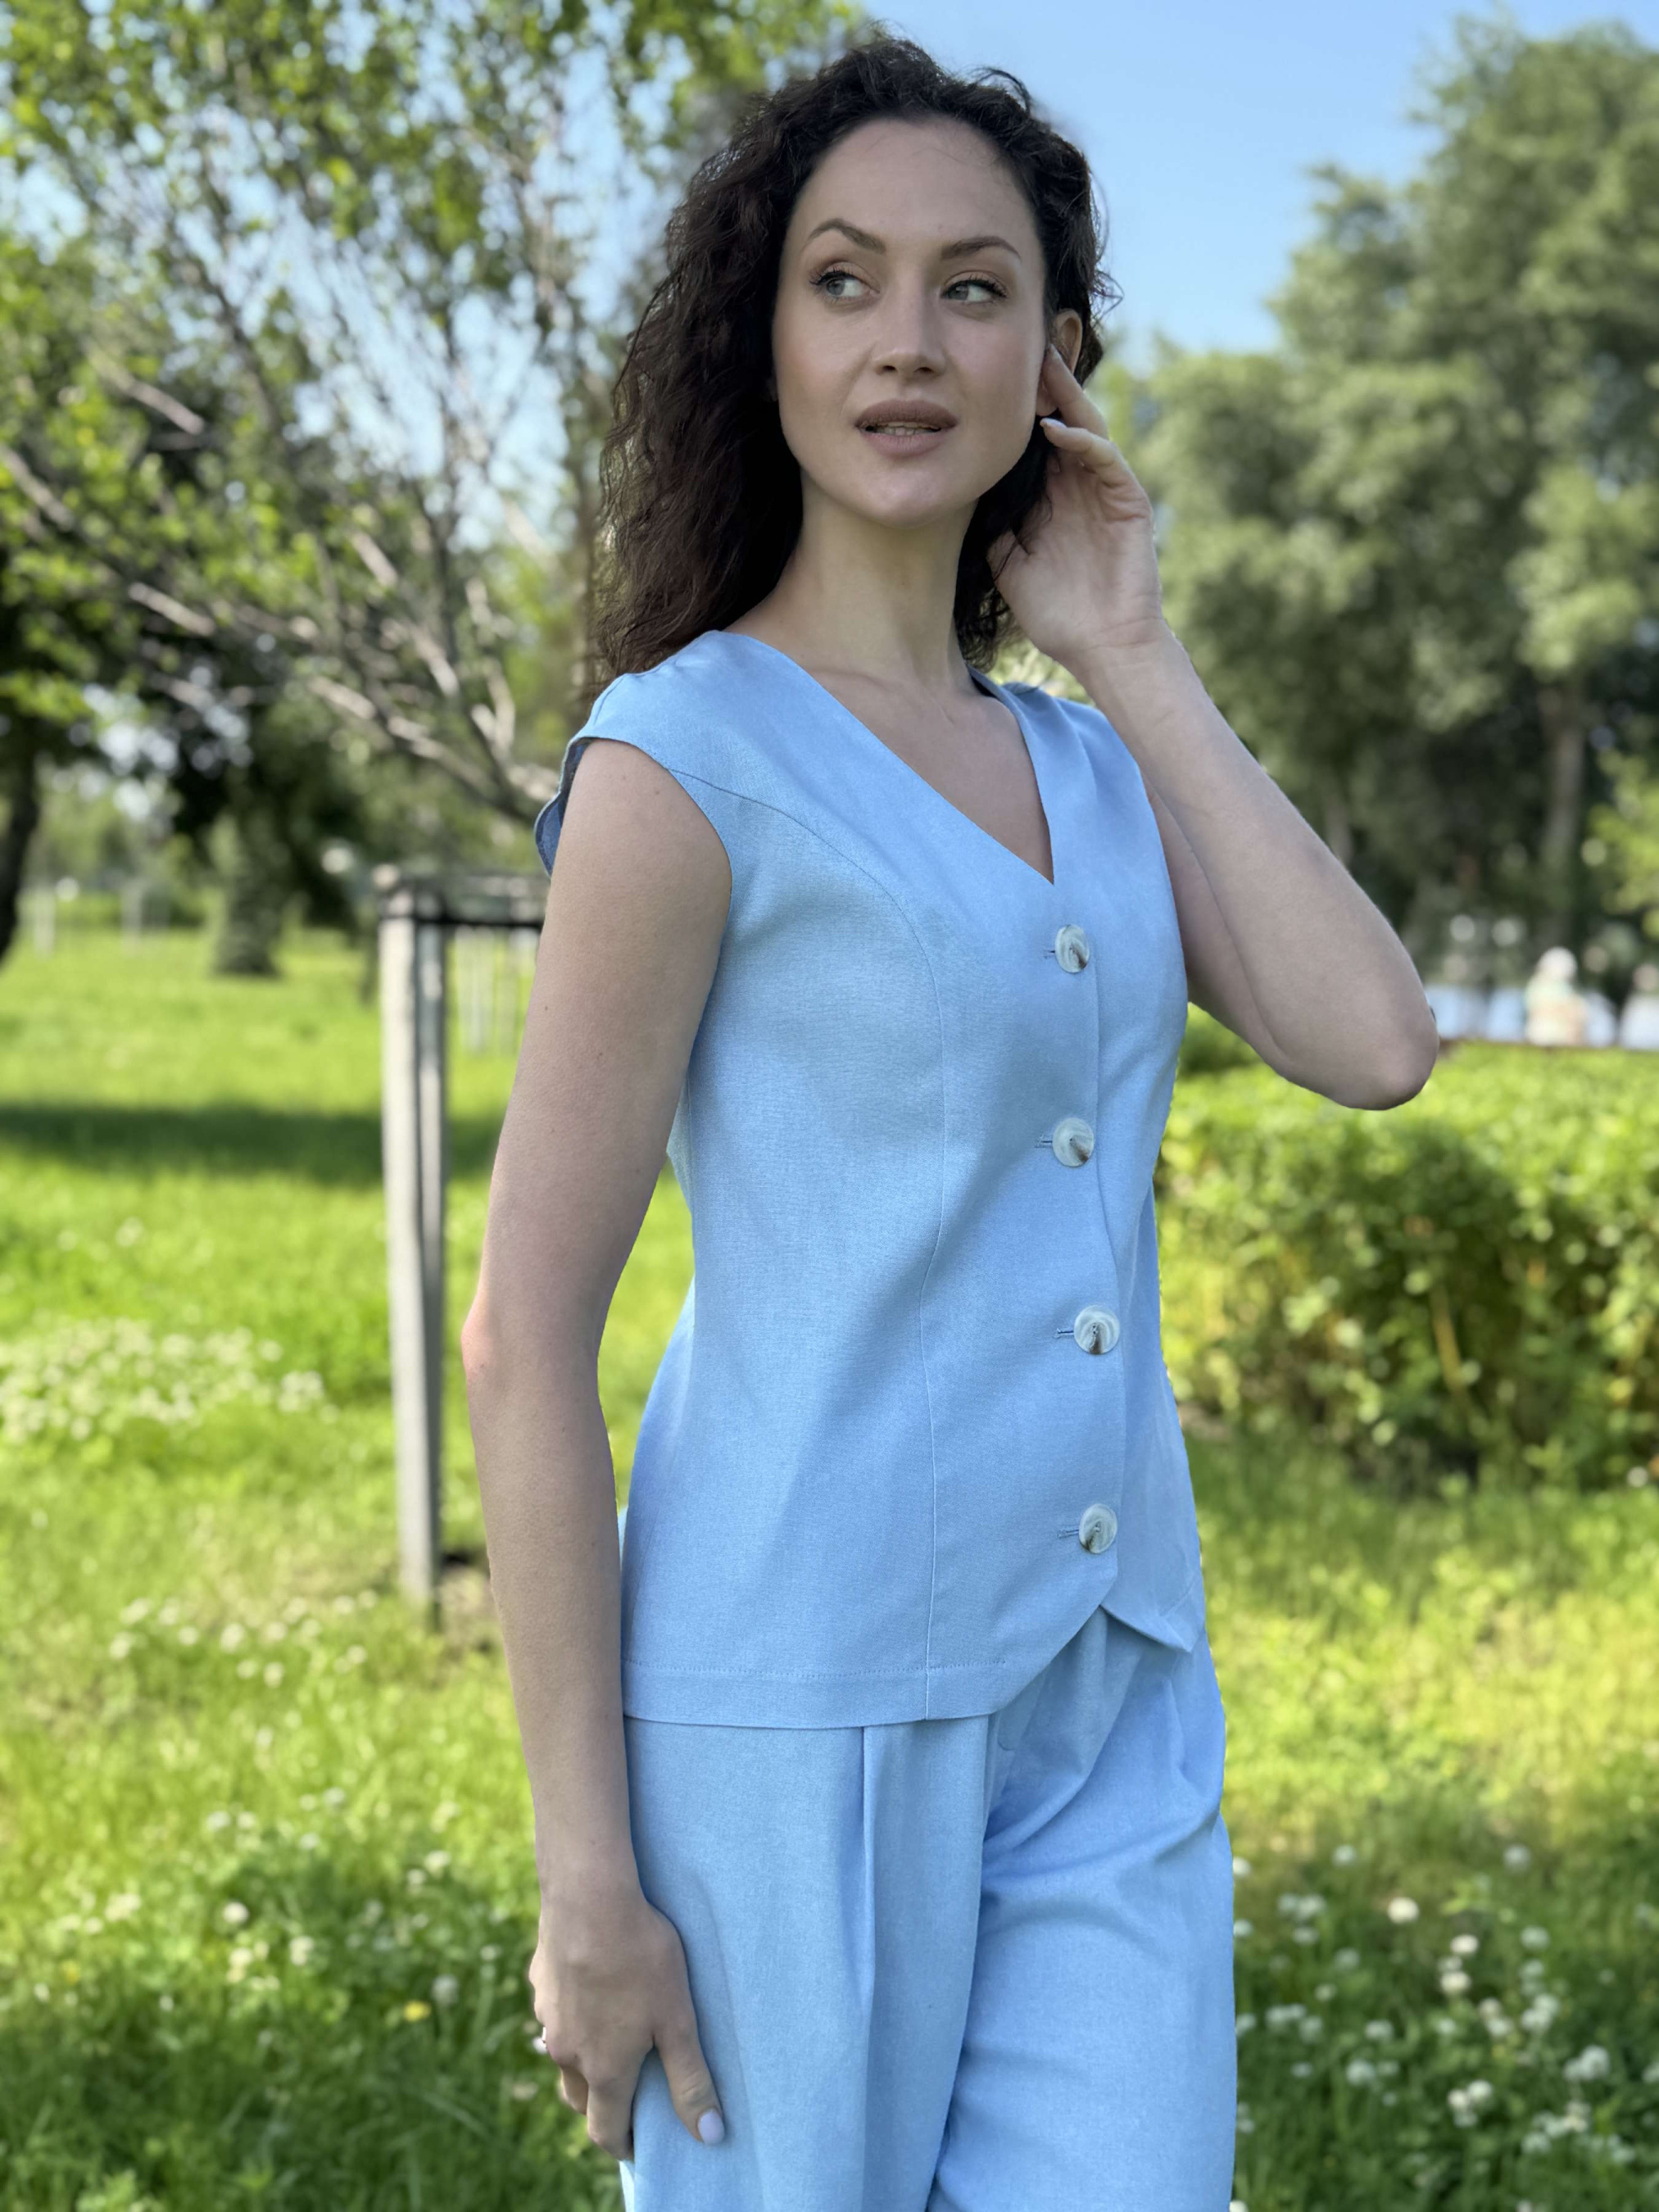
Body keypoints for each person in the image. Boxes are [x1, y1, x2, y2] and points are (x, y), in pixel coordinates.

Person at [460, 33, 1439, 2212]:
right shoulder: (681, 759)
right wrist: (587, 1877)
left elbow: (1375, 1039)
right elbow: (522, 1333)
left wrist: (1128, 645)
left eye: (973, 289)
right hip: (790, 1709)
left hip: (1110, 1701)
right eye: (843, 280)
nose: (906, 339)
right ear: (766, 340)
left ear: (1053, 359)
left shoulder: (1095, 767)